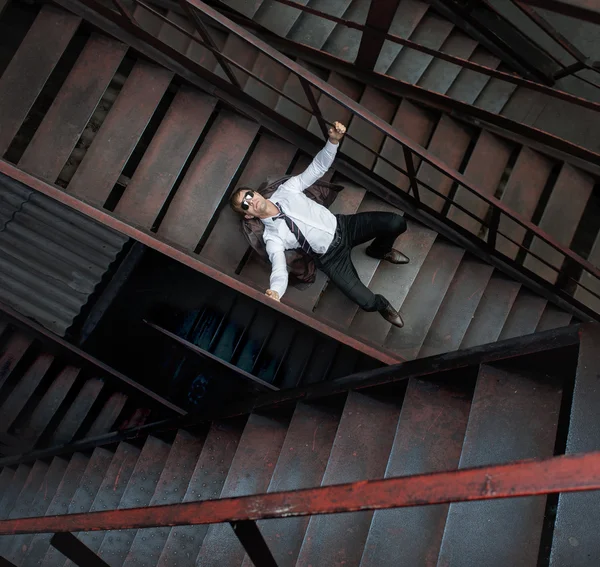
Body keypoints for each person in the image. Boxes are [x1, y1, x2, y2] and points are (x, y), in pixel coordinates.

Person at [229, 121, 408, 328]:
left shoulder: (288, 189)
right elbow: (278, 267)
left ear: (257, 192)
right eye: (245, 205)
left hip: (344, 227)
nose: (250, 201)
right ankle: (382, 304)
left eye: (249, 195)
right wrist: (276, 291)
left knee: (397, 222)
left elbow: (318, 167)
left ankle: (379, 250)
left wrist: (333, 142)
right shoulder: (272, 237)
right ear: (249, 216)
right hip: (330, 258)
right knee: (366, 303)